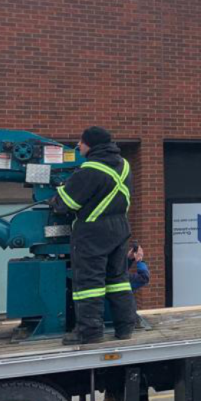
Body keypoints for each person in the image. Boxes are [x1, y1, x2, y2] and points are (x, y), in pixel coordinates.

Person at [52, 126, 139, 345]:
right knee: (118, 279)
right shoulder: (125, 165)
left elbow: (67, 203)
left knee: (89, 283)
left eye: (80, 142)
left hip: (92, 232)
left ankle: (89, 333)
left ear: (90, 144)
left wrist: (54, 199)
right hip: (120, 229)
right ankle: (125, 327)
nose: (78, 146)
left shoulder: (90, 169)